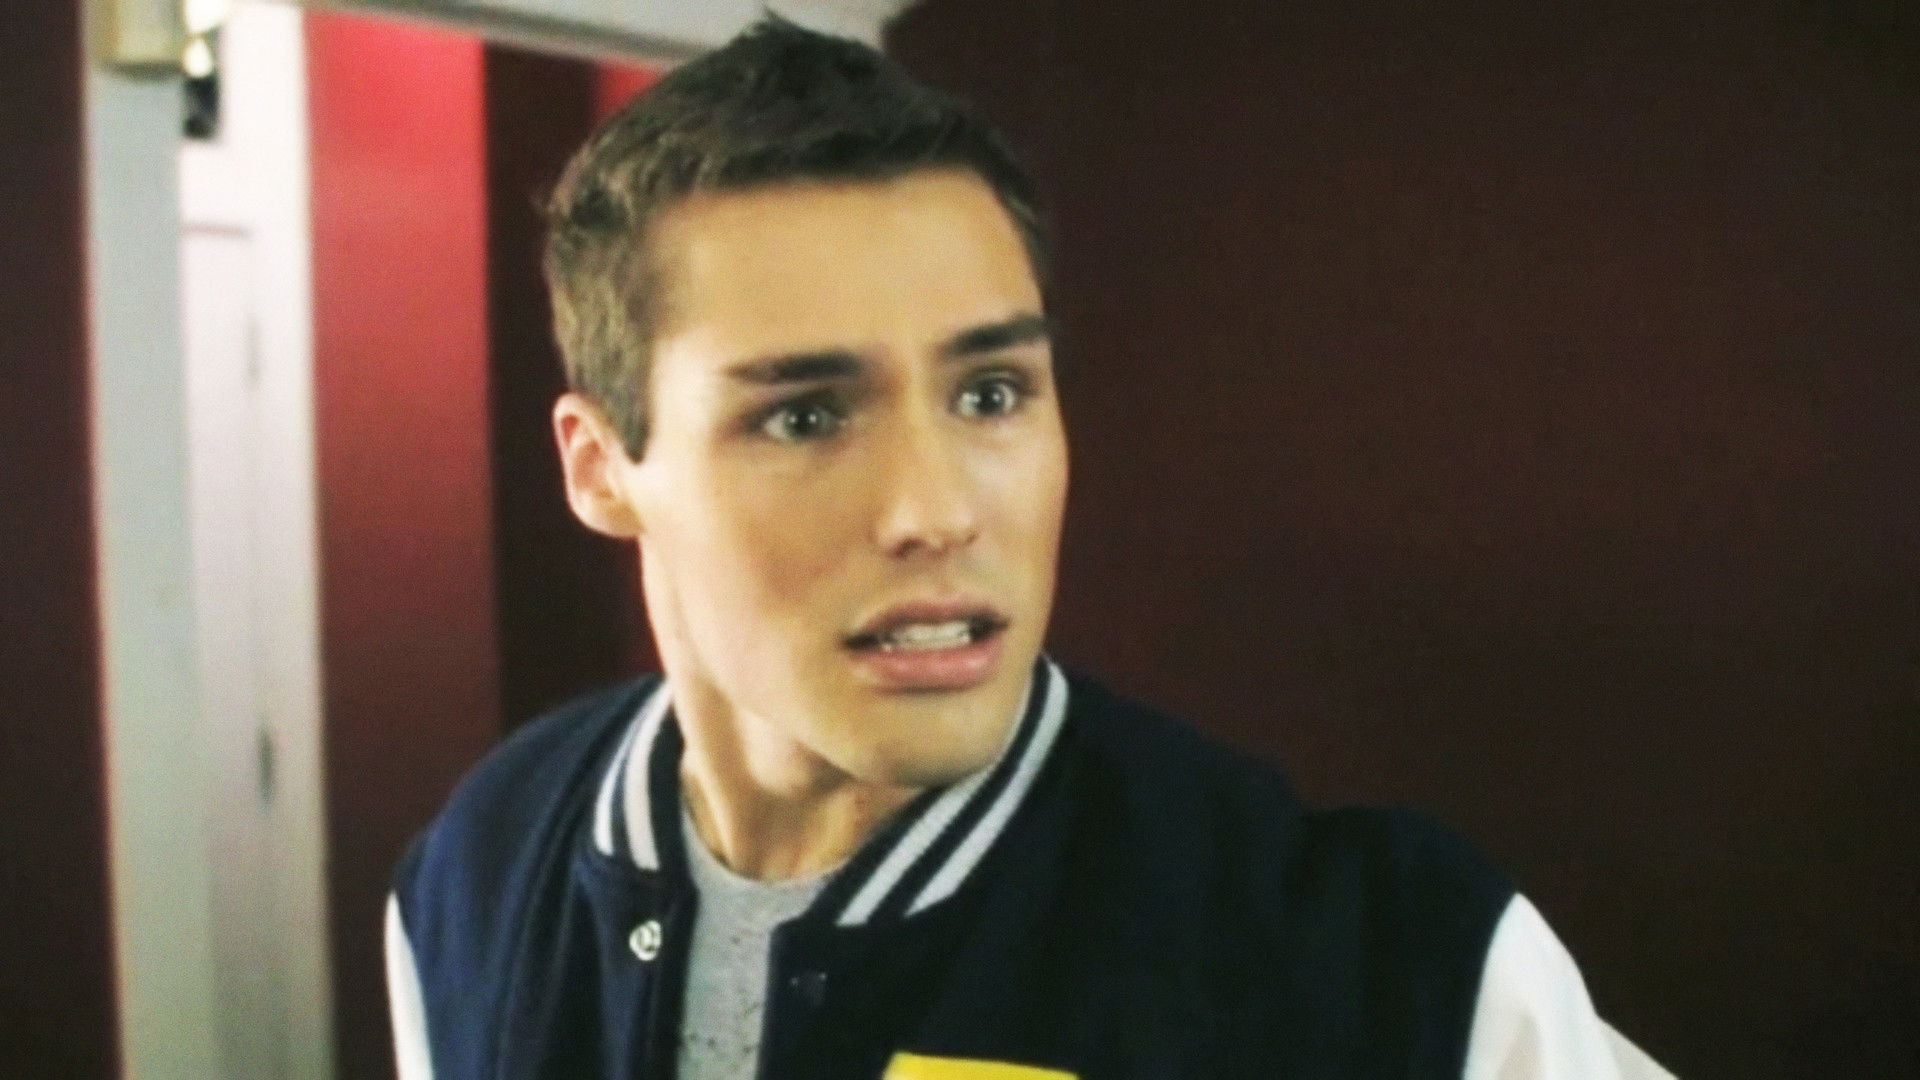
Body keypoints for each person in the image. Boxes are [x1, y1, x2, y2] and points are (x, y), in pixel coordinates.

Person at [384, 18, 1675, 1080]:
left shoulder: (1381, 969)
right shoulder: (476, 874)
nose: (934, 509)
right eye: (806, 416)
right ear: (601, 468)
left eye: (991, 393)